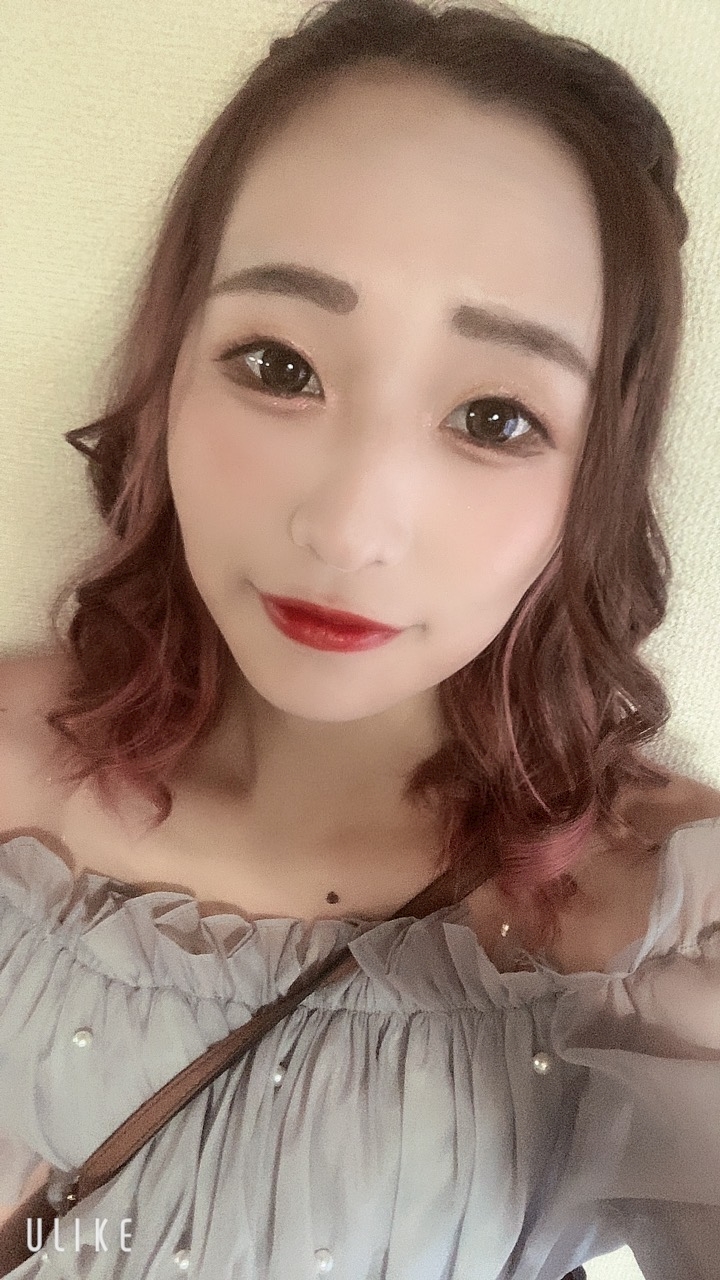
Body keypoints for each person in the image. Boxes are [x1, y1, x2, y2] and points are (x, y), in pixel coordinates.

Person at [1, 0, 719, 1275]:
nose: (345, 529)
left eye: (496, 418)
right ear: (170, 369)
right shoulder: (12, 758)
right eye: (278, 365)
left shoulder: (661, 928)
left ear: (594, 480)